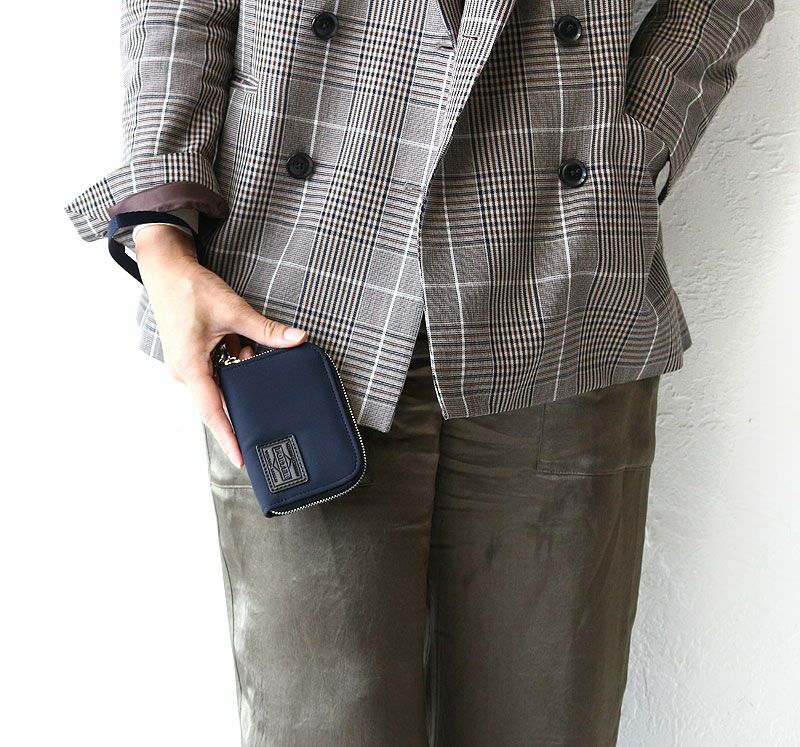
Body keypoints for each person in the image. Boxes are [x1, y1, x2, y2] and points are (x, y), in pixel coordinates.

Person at [63, 1, 774, 744]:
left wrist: (638, 141)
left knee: (546, 725)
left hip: (562, 287)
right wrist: (161, 232)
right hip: (296, 299)